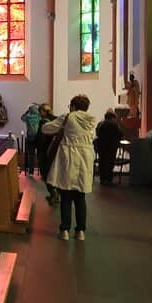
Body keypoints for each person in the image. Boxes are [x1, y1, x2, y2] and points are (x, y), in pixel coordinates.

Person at [43, 95, 96, 241]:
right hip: (85, 158)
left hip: (68, 157)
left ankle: (65, 230)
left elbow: (46, 129)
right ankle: (80, 232)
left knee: (66, 195)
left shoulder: (68, 117)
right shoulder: (91, 120)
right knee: (80, 196)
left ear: (73, 106)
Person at [36, 103, 58, 201]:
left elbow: (41, 137)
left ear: (44, 111)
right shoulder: (56, 119)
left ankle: (53, 193)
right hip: (54, 150)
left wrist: (37, 145)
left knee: (45, 173)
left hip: (44, 150)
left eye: (40, 111)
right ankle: (55, 193)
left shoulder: (43, 121)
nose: (39, 113)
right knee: (53, 173)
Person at [95, 110, 122, 186]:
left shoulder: (100, 123)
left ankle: (102, 180)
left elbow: (97, 133)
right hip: (111, 147)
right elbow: (120, 134)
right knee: (110, 163)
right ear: (112, 118)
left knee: (102, 162)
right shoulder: (114, 124)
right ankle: (109, 180)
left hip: (101, 146)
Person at [20, 104, 42, 176]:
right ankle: (41, 171)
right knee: (39, 155)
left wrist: (27, 112)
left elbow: (22, 118)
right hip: (38, 138)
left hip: (30, 138)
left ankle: (31, 172)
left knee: (31, 155)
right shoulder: (39, 116)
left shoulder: (28, 117)